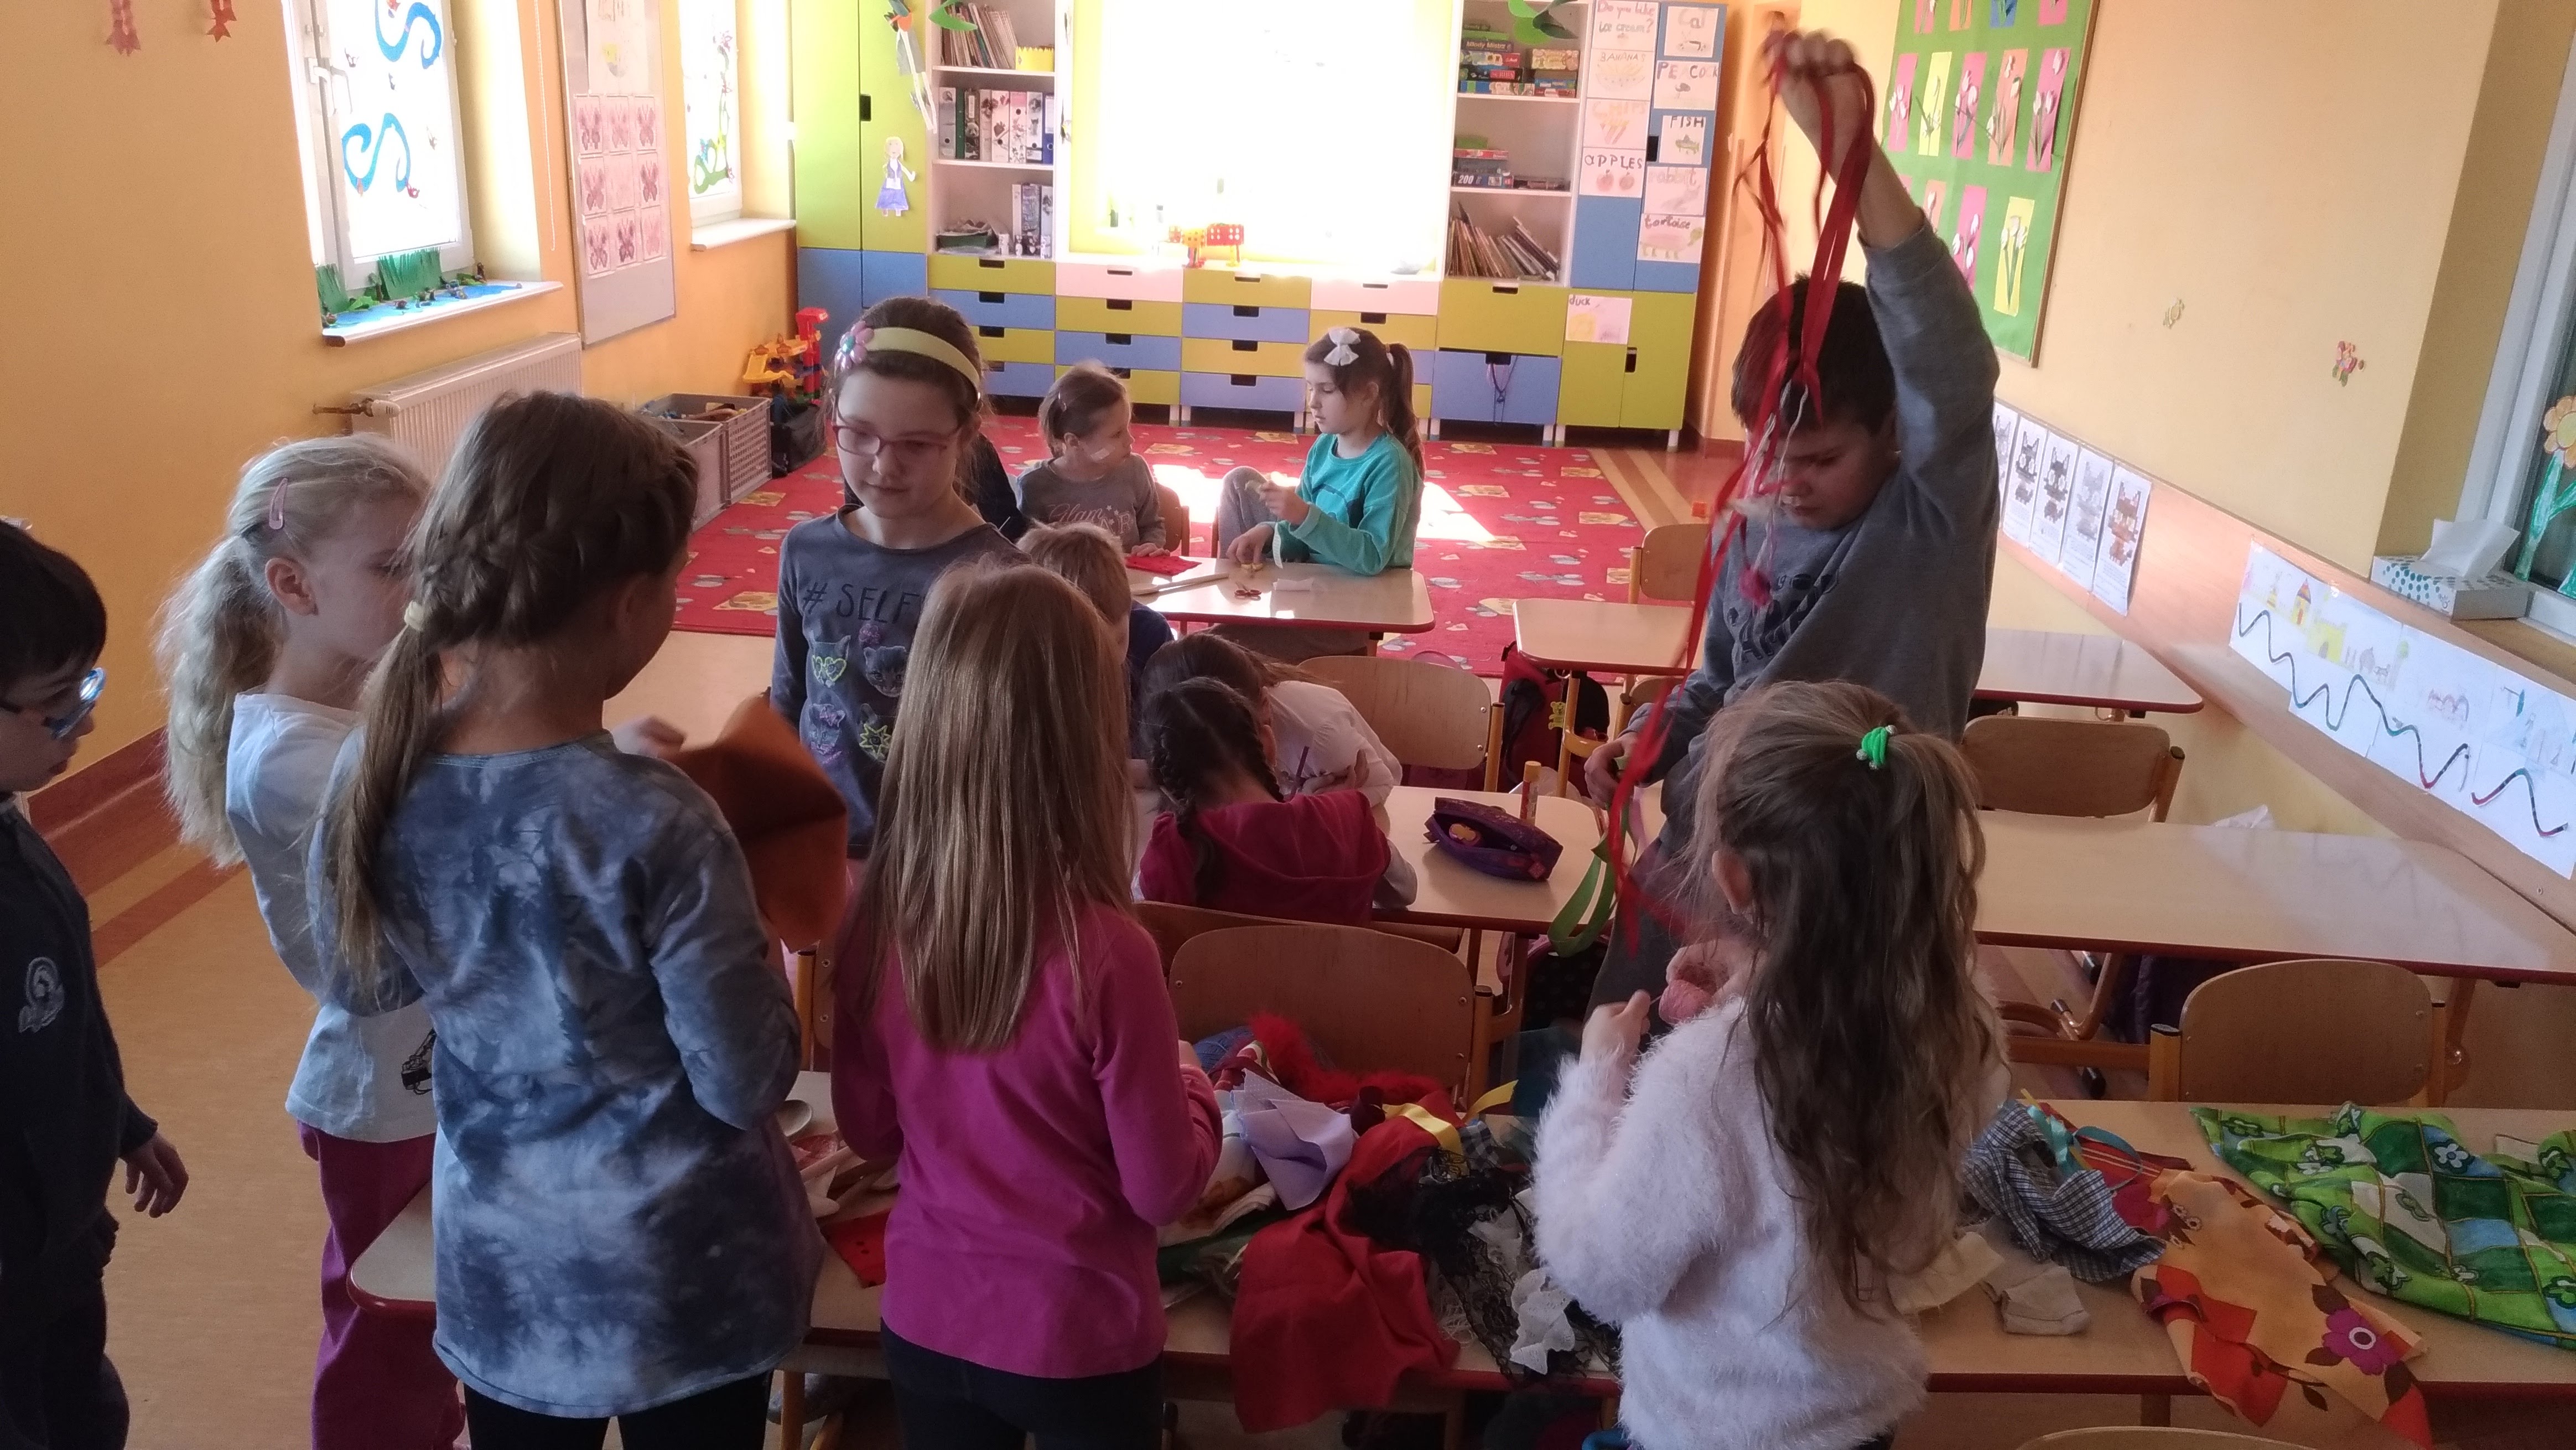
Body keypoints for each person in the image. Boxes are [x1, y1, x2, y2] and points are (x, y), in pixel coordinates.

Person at [311, 393, 817, 1450]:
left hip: (506, 1277)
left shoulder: (379, 773)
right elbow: (744, 1080)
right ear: (631, 603)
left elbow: (366, 986)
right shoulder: (660, 820)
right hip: (686, 1284)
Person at [1583, 30, 2000, 1014]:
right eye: (1768, 454)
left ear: (1895, 435)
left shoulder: (1929, 526)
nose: (1785, 482)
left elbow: (1949, 362)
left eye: (1819, 460)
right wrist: (1651, 739)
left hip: (1849, 897)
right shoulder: (1754, 524)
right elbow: (1719, 682)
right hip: (1710, 864)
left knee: (1790, 1086)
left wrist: (1853, 156)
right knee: (1636, 1055)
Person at [1535, 681, 2002, 1450]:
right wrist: (1764, 975)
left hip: (1708, 1430)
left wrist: (1593, 1081)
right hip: (1856, 1419)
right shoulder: (1964, 1016)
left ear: (1734, 879)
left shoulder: (1708, 1076)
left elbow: (1602, 1275)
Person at [830, 563, 1220, 1450]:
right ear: (1086, 739)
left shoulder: (876, 922)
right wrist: (1194, 1085)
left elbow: (871, 1135)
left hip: (928, 1320)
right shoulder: (1111, 952)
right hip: (1081, 1336)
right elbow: (1163, 1188)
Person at [154, 438, 468, 1450]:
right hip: (386, 1099)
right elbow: (466, 820)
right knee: (389, 1337)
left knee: (440, 1310)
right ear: (293, 586)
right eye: (392, 567)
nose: (421, 588)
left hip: (424, 1073)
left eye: (427, 558)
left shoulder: (358, 698)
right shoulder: (292, 758)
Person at [1, 522, 188, 1450]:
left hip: (60, 1254)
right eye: (56, 705)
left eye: (87, 688)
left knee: (88, 1417)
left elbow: (63, 1017)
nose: (84, 721)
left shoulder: (15, 829)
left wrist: (122, 1121)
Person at [774, 297, 1021, 857]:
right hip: (822, 852)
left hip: (943, 864)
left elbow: (1012, 760)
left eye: (917, 444)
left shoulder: (1001, 579)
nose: (884, 465)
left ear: (966, 435)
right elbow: (789, 707)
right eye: (859, 433)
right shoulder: (806, 552)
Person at [1212, 327, 1424, 658]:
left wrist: (1303, 515)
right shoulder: (1324, 447)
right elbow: (1305, 533)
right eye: (1311, 388)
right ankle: (1243, 591)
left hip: (1351, 614)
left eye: (1326, 390)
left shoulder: (1390, 463)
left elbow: (1371, 557)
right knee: (1239, 481)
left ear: (1369, 393)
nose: (1313, 402)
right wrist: (1269, 532)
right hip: (1311, 590)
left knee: (1218, 649)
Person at [1134, 678, 1415, 923]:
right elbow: (1404, 891)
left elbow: (1141, 911)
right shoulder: (1347, 818)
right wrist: (1323, 811)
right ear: (1268, 743)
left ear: (1168, 789)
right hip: (1339, 971)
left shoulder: (1170, 853)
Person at [1139, 634, 1397, 806]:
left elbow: (1383, 783)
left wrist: (1316, 808)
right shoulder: (1179, 737)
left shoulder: (1323, 737)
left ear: (1265, 708)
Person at [1018, 522, 1173, 707]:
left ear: (1128, 610)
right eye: (1092, 651)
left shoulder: (1151, 634)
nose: (1110, 661)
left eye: (1119, 641)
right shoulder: (1027, 661)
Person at [1018, 363, 1167, 552]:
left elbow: (1152, 526)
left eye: (1127, 428)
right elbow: (1027, 551)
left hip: (1128, 572)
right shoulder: (1034, 486)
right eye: (1117, 434)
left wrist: (1151, 545)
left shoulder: (1135, 470)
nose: (1130, 440)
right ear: (1074, 442)